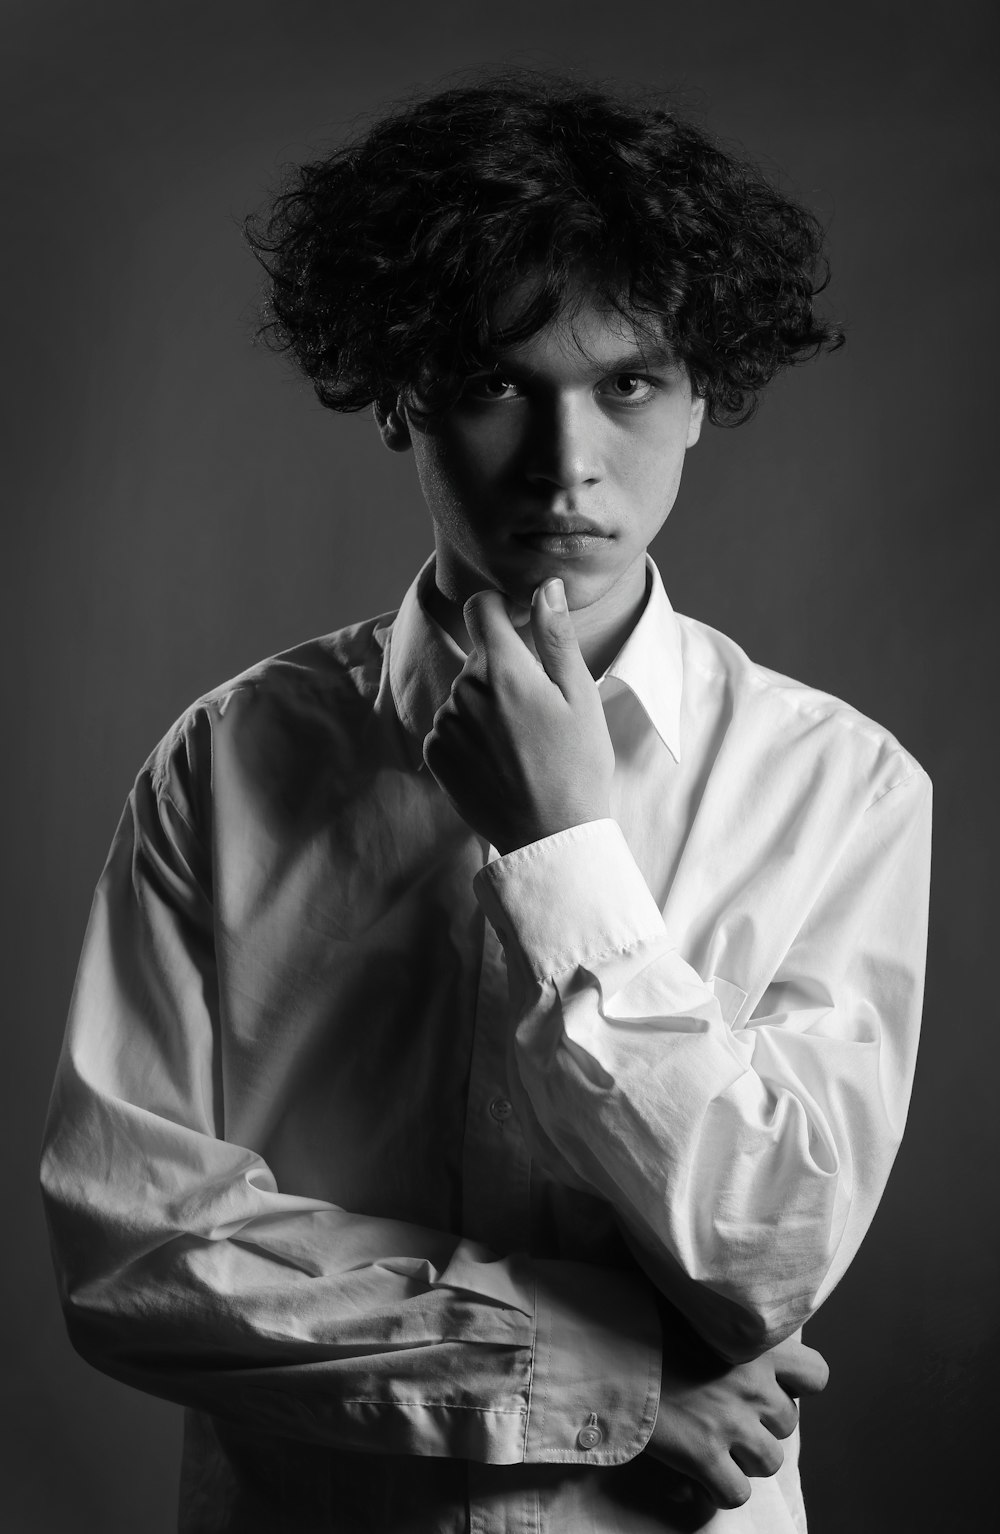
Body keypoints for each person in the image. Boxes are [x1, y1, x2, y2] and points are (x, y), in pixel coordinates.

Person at [40, 73, 932, 1533]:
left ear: (702, 394)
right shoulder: (223, 763)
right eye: (498, 381)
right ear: (403, 394)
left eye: (628, 383)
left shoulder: (843, 784)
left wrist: (564, 850)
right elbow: (134, 1248)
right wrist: (604, 1373)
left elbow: (771, 1246)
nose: (569, 465)